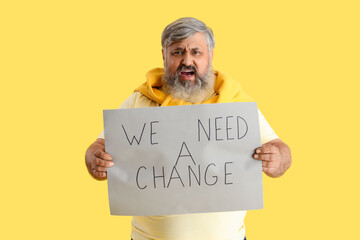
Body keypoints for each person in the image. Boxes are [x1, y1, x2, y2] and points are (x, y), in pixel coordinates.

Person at [85, 17, 292, 240]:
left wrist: (277, 158)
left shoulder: (235, 105)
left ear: (210, 56)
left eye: (196, 52)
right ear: (164, 56)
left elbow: (280, 150)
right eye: (177, 52)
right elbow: (100, 147)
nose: (187, 60)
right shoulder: (139, 101)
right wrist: (95, 159)